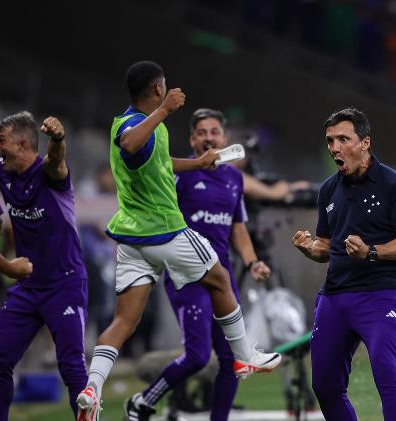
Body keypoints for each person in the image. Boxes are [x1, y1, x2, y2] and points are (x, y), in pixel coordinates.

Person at [76, 61, 280, 421]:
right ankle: (246, 354)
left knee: (125, 320)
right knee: (220, 278)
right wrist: (165, 110)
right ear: (157, 89)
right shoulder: (138, 124)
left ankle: (92, 389)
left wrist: (197, 163)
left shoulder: (131, 124)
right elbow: (130, 144)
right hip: (164, 230)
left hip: (132, 238)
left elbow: (159, 163)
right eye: (165, 87)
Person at [123, 108, 272, 421]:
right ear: (192, 139)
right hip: (186, 276)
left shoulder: (233, 178)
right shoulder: (178, 174)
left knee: (233, 360)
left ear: (224, 138)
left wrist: (253, 261)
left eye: (214, 132)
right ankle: (142, 400)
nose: (208, 138)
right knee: (198, 355)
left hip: (223, 276)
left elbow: (238, 230)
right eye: (201, 132)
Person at [292, 107, 396, 420]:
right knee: (324, 386)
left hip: (379, 296)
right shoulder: (328, 190)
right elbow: (324, 246)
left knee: (388, 376)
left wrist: (371, 252)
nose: (334, 147)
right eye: (330, 140)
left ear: (365, 142)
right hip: (334, 299)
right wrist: (309, 248)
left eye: (343, 139)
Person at [0, 111, 83, 420]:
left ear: (24, 144)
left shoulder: (49, 174)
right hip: (27, 288)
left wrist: (58, 139)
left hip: (64, 285)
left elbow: (57, 163)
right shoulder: (2, 170)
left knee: (71, 366)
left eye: (1, 141)